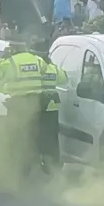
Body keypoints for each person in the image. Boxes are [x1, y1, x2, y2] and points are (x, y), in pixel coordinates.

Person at [0, 34, 48, 183]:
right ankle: (33, 167)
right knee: (33, 136)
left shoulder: (9, 62)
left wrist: (3, 56)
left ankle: (17, 168)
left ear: (13, 48)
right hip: (35, 104)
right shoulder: (37, 60)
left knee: (15, 137)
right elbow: (45, 70)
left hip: (17, 104)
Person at [31, 39, 67, 174]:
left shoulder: (37, 69)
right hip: (52, 107)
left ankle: (38, 162)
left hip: (39, 104)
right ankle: (53, 164)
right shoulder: (53, 68)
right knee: (51, 137)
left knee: (36, 134)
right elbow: (63, 79)